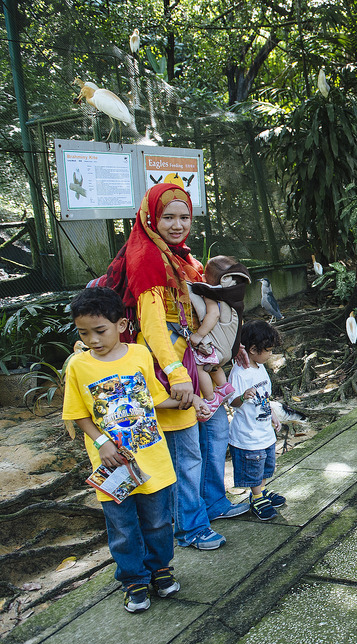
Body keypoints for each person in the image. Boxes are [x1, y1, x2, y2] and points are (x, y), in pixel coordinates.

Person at [96, 182, 249, 551]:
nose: (178, 224)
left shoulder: (182, 259)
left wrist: (231, 346)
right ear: (152, 218)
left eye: (184, 217)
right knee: (185, 451)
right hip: (168, 369)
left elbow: (201, 313)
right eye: (168, 217)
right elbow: (153, 328)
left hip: (197, 362)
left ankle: (212, 502)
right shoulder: (148, 259)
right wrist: (176, 375)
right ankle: (189, 527)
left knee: (214, 435)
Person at [63, 287, 199, 612]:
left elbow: (153, 397)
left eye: (100, 330)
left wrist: (187, 401)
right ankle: (133, 580)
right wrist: (102, 443)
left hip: (152, 460)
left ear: (121, 324)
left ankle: (160, 569)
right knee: (122, 528)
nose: (93, 339)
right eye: (84, 333)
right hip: (112, 466)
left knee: (158, 522)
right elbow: (77, 413)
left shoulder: (139, 355)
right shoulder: (78, 366)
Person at [228, 320, 286, 520]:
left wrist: (273, 415)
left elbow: (265, 396)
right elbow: (232, 401)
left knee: (266, 464)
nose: (270, 354)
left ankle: (262, 490)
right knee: (253, 466)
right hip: (248, 433)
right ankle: (256, 497)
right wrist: (243, 396)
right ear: (253, 349)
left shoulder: (260, 367)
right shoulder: (239, 372)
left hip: (264, 429)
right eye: (268, 350)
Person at [187, 255, 252, 416]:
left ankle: (210, 398)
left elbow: (214, 314)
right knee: (214, 366)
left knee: (200, 366)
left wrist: (199, 335)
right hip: (229, 348)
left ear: (205, 278)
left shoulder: (212, 294)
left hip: (216, 347)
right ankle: (224, 387)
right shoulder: (234, 296)